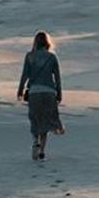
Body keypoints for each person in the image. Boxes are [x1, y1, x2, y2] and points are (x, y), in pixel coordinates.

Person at [17, 30, 64, 161]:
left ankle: (35, 142)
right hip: (49, 92)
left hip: (34, 93)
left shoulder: (30, 56)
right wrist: (59, 93)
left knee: (35, 119)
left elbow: (24, 75)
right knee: (46, 121)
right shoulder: (52, 57)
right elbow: (58, 78)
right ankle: (42, 150)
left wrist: (20, 90)